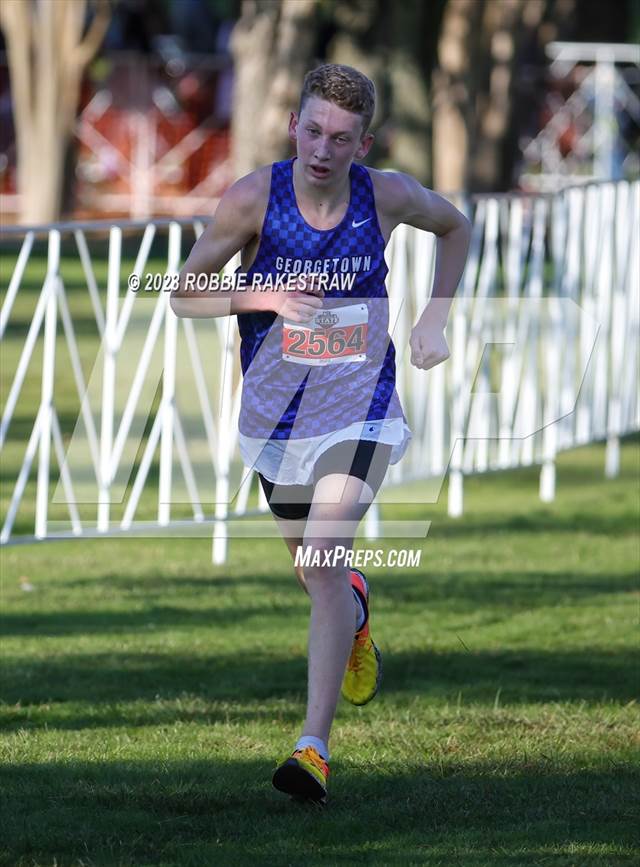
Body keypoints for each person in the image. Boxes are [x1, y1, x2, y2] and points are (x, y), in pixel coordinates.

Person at [171, 64, 471, 805]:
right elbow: (180, 292)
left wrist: (435, 315)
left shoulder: (387, 194)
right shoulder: (253, 198)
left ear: (362, 143)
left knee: (326, 552)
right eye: (312, 130)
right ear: (294, 127)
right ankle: (356, 610)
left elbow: (458, 225)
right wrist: (260, 291)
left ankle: (313, 746)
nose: (322, 148)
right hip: (278, 420)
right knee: (317, 574)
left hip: (363, 408)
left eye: (340, 138)